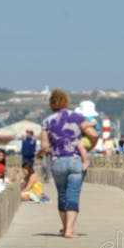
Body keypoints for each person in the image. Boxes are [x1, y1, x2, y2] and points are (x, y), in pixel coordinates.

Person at [39, 88, 97, 238]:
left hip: (57, 162)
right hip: (76, 160)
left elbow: (44, 147)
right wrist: (90, 145)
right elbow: (94, 134)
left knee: (62, 195)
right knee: (73, 194)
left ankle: (65, 228)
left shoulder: (47, 122)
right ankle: (69, 230)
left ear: (51, 104)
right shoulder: (77, 117)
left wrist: (54, 147)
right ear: (66, 101)